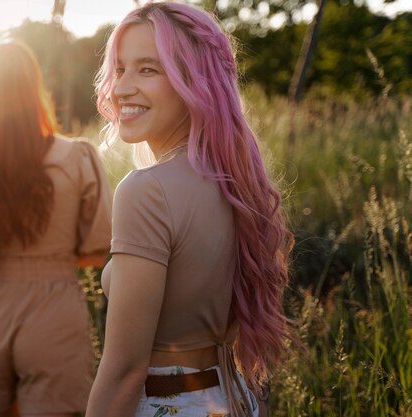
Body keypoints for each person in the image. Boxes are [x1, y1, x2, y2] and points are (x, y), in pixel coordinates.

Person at [86, 3, 294, 417]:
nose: (121, 87)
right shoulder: (237, 183)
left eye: (148, 69)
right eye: (120, 68)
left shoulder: (146, 192)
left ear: (194, 81)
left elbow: (125, 370)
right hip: (234, 400)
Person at [0, 41, 112, 417]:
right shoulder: (77, 158)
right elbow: (99, 251)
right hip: (55, 313)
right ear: (34, 91)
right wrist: (52, 259)